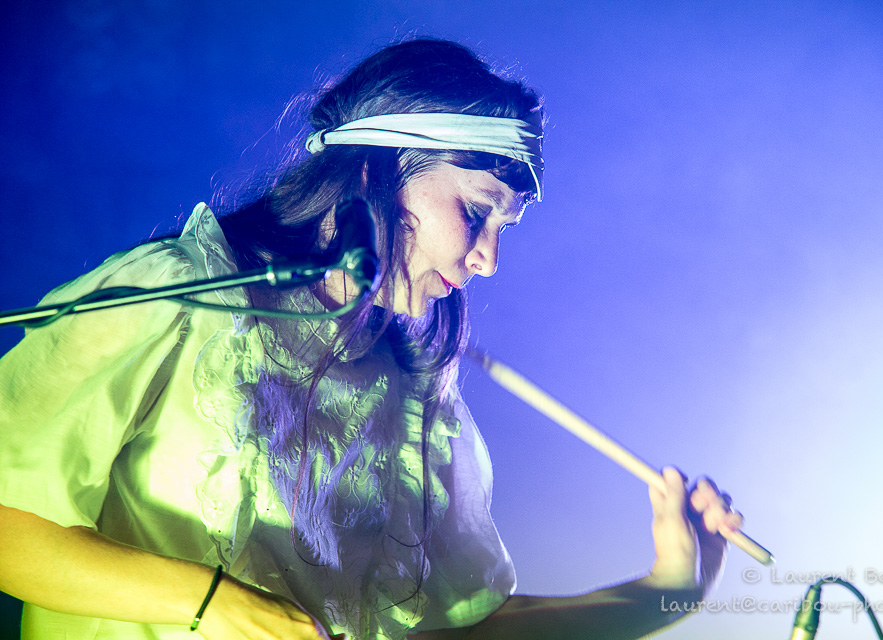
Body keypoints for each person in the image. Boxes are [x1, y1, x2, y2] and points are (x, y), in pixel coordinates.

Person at [0, 38, 743, 639]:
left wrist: (668, 593)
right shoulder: (177, 294)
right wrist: (215, 602)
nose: (487, 259)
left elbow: (461, 631)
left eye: (504, 228)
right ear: (374, 170)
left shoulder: (412, 393)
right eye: (475, 212)